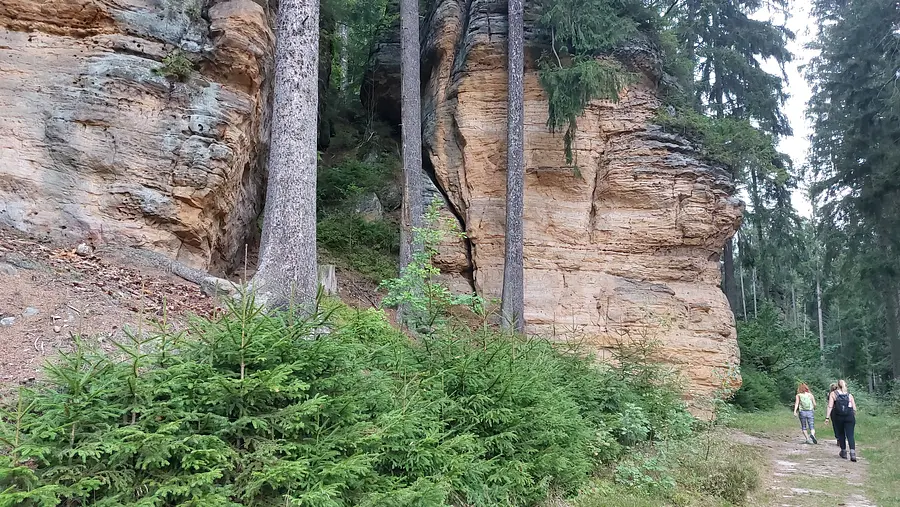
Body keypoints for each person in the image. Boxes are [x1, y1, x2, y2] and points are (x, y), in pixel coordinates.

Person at [825, 379, 858, 462]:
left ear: (837, 385)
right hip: (849, 416)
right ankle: (853, 453)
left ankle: (843, 451)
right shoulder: (849, 395)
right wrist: (852, 416)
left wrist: (827, 418)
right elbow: (854, 408)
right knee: (850, 435)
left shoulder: (833, 394)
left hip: (838, 416)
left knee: (841, 434)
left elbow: (830, 406)